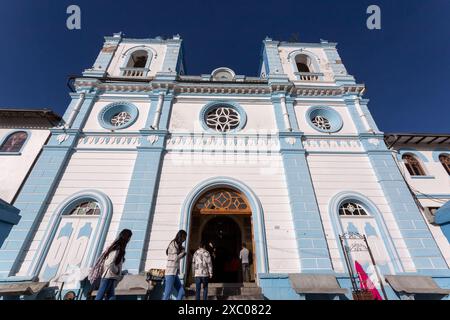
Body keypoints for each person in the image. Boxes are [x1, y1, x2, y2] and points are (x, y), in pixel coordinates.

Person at [91, 229, 133, 300]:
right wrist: (116, 270)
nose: (129, 239)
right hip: (108, 276)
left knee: (111, 296)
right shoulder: (117, 247)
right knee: (100, 296)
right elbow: (109, 263)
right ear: (126, 237)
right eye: (129, 237)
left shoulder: (119, 247)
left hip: (111, 276)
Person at [163, 230, 187, 300]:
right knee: (167, 294)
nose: (184, 240)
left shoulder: (177, 245)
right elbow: (175, 258)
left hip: (174, 272)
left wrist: (182, 252)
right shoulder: (173, 244)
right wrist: (182, 253)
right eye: (184, 237)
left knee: (182, 291)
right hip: (170, 272)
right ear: (180, 236)